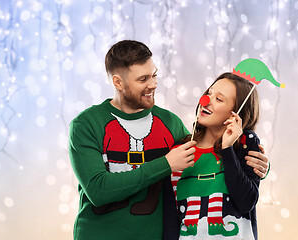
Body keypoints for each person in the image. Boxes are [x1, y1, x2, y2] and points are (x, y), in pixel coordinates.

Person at [68, 40, 269, 240]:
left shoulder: (169, 124)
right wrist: (166, 164)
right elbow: (98, 190)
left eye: (154, 75)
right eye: (143, 79)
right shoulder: (86, 125)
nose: (153, 84)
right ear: (118, 82)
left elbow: (207, 151)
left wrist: (257, 166)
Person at [171, 72, 262, 239]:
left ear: (235, 114)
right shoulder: (180, 150)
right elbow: (171, 215)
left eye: (219, 99)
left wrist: (227, 149)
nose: (206, 101)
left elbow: (246, 202)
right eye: (209, 93)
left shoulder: (245, 143)